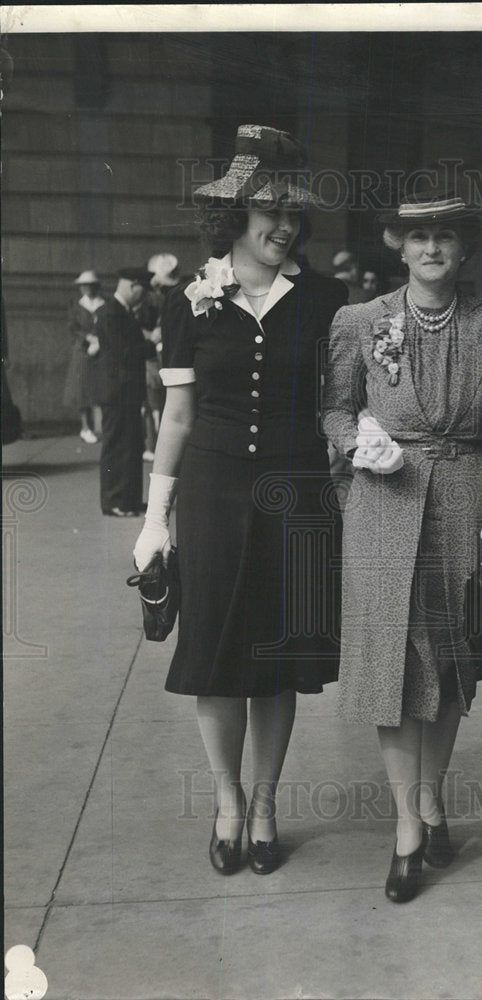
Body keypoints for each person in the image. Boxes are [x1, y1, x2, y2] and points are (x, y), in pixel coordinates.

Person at [132, 125, 348, 876]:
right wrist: (155, 521)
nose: (283, 225)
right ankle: (227, 802)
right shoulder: (192, 301)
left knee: (279, 657)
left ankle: (264, 803)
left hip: (298, 497)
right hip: (214, 496)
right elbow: (178, 419)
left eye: (292, 212)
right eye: (269, 209)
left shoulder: (326, 299)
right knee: (218, 652)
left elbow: (339, 399)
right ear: (237, 215)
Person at [323, 187, 482, 902]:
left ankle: (433, 796)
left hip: (464, 506)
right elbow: (335, 409)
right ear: (396, 243)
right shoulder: (360, 320)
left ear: (464, 246)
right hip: (383, 505)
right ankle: (407, 826)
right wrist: (359, 442)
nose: (432, 248)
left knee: (447, 666)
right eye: (418, 237)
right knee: (391, 666)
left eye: (446, 236)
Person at [97, 267, 154, 516]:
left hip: (124, 392)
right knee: (118, 446)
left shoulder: (119, 312)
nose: (144, 296)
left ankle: (129, 499)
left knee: (131, 445)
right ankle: (114, 501)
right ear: (132, 285)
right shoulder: (112, 313)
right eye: (143, 290)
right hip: (118, 392)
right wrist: (152, 344)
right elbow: (126, 353)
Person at [138, 253, 180, 461]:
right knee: (152, 402)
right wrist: (150, 334)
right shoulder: (144, 298)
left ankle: (157, 444)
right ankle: (151, 444)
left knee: (161, 401)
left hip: (161, 352)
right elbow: (136, 325)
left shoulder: (165, 295)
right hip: (149, 354)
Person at [63, 269, 105, 444]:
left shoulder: (104, 303)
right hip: (82, 351)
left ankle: (100, 427)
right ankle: (85, 427)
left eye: (90, 285)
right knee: (81, 390)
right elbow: (73, 327)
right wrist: (87, 338)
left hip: (102, 350)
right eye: (83, 286)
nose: (86, 288)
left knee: (99, 387)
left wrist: (100, 339)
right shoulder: (76, 305)